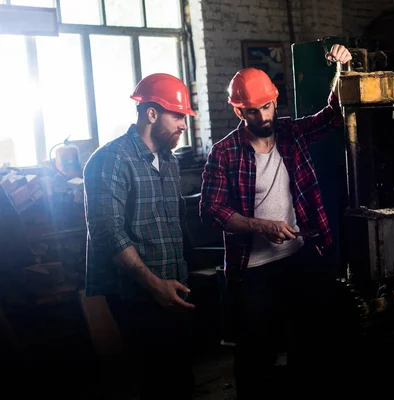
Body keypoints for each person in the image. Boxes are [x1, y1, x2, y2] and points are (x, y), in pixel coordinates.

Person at [199, 45, 352, 399]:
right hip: (253, 270)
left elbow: (332, 115)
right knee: (255, 352)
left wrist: (342, 69)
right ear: (239, 111)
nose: (264, 117)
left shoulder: (290, 133)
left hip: (300, 257)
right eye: (253, 111)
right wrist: (260, 226)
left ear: (275, 101)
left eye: (268, 107)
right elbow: (210, 210)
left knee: (308, 344)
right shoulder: (223, 153)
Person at [83, 73, 198, 400]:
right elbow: (108, 233)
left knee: (180, 377)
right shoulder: (110, 159)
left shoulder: (169, 162)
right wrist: (154, 284)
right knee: (155, 379)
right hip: (136, 292)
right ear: (151, 113)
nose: (183, 125)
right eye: (177, 116)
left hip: (173, 285)